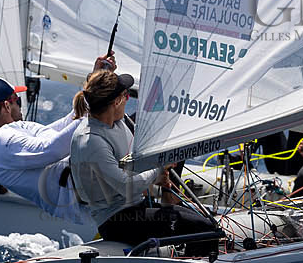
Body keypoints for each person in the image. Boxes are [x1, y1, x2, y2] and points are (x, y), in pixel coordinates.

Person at [68, 69, 220, 253]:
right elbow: (125, 185)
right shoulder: (92, 141)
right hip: (118, 221)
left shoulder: (117, 120)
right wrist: (157, 171)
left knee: (204, 222)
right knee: (203, 229)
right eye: (126, 95)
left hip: (136, 208)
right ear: (116, 101)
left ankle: (171, 203)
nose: (128, 100)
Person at [0, 55, 116, 229]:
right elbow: (52, 149)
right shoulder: (0, 142)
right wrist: (97, 108)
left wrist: (95, 80)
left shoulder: (16, 130)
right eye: (17, 100)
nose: (20, 104)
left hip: (95, 186)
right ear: (6, 106)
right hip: (89, 196)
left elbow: (67, 124)